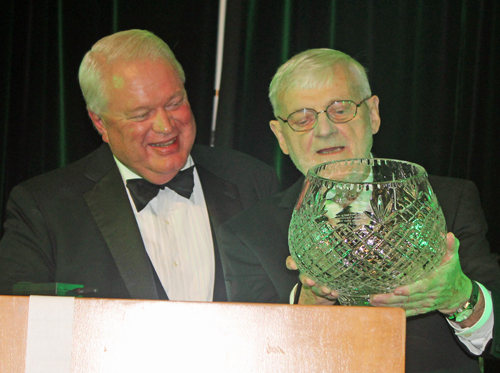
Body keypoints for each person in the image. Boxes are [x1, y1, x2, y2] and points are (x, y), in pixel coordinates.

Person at [218, 49, 500, 372]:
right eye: (302, 118)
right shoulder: (246, 234)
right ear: (281, 136)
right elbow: (254, 359)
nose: (324, 130)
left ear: (374, 114)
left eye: (340, 109)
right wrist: (308, 307)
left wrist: (460, 296)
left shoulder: (450, 201)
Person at [0, 29, 279, 302]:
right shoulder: (43, 209)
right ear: (100, 123)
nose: (165, 126)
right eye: (141, 114)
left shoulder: (254, 181)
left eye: (174, 103)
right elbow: (18, 331)